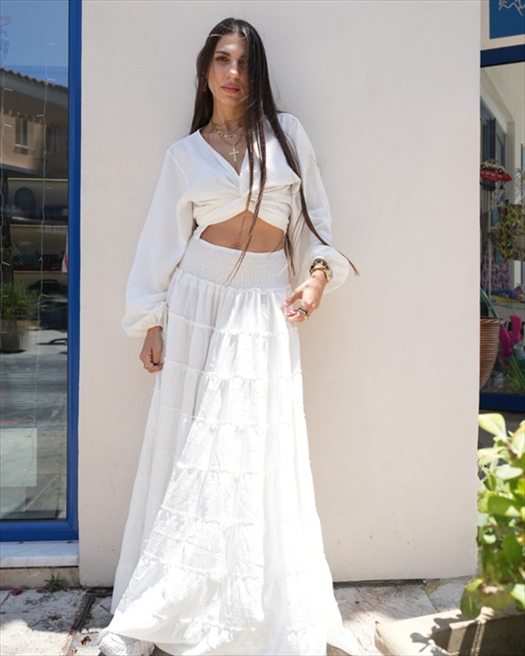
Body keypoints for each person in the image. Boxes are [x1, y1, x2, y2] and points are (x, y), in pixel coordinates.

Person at [98, 17, 359, 656]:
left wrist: (317, 280)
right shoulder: (184, 155)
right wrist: (150, 321)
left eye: (243, 61)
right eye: (222, 59)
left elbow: (315, 226)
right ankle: (158, 609)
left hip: (267, 302)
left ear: (256, 70)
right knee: (189, 447)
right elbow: (160, 243)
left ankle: (247, 610)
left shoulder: (287, 135)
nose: (232, 73)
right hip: (196, 302)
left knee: (252, 449)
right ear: (205, 69)